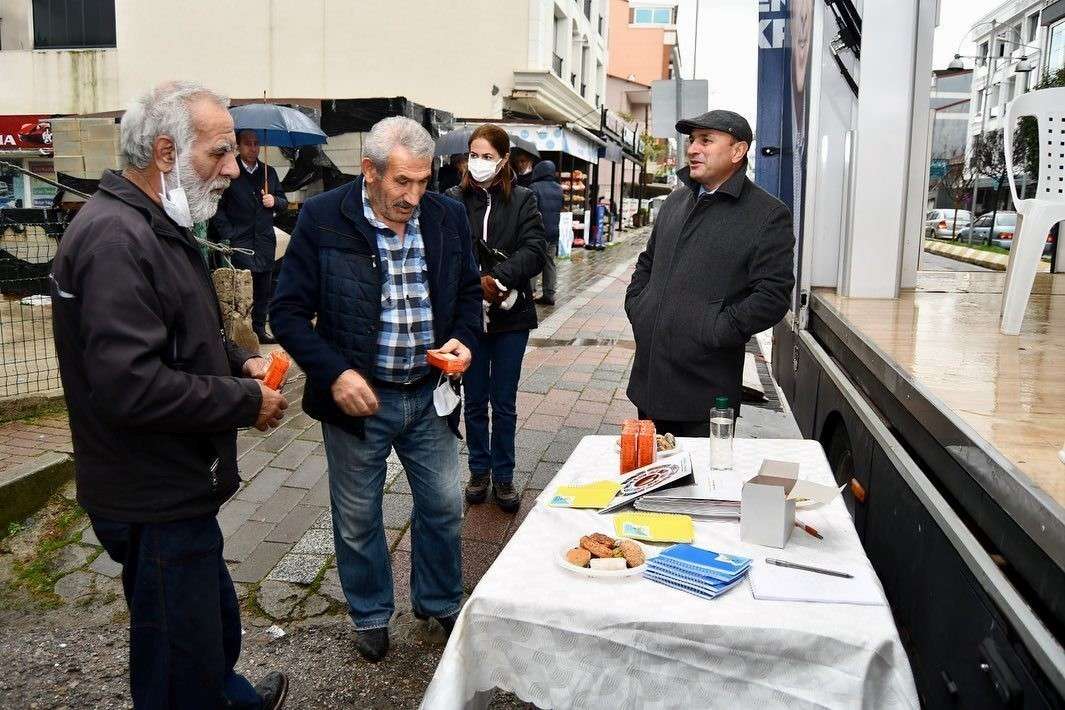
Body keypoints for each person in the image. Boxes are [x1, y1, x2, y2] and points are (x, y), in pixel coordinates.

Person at [50, 81, 290, 709]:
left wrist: (241, 361)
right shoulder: (116, 240)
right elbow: (132, 387)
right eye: (219, 154)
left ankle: (227, 696)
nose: (234, 170)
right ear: (165, 153)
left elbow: (188, 334)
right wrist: (244, 402)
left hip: (177, 483)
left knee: (207, 628)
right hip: (150, 491)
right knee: (174, 662)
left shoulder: (159, 223)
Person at [270, 116, 481, 663]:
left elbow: (465, 296)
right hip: (359, 401)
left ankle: (436, 602)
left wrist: (462, 339)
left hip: (430, 393)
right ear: (369, 171)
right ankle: (369, 613)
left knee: (443, 505)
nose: (413, 197)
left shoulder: (447, 215)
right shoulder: (322, 217)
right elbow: (287, 313)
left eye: (422, 182)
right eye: (401, 183)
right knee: (358, 516)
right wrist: (334, 373)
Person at [625, 110, 795, 437]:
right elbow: (647, 261)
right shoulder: (675, 203)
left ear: (737, 151)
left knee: (699, 485)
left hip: (704, 394)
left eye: (706, 140)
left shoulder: (767, 214)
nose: (692, 149)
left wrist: (715, 329)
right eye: (691, 140)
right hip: (648, 382)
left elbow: (772, 296)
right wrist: (639, 305)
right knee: (647, 478)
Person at [446, 125, 548, 512]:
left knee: (503, 401)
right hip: (469, 318)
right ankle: (478, 471)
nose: (479, 162)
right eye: (474, 154)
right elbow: (447, 252)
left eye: (487, 155)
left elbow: (536, 249)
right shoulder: (454, 199)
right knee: (473, 400)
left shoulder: (523, 199)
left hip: (511, 316)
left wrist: (500, 277)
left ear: (504, 159)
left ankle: (503, 476)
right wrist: (476, 282)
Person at [212, 129, 289, 344]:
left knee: (264, 288)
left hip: (264, 240)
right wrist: (228, 233)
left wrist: (275, 201)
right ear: (238, 146)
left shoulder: (268, 172)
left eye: (256, 144)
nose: (253, 148)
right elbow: (217, 207)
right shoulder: (230, 172)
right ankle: (239, 333)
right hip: (240, 241)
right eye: (248, 143)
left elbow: (283, 201)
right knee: (242, 288)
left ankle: (259, 330)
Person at [514, 151, 563, 306]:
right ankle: (549, 294)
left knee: (532, 261)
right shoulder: (558, 188)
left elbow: (531, 210)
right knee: (549, 263)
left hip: (538, 232)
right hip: (554, 233)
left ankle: (530, 293)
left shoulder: (534, 187)